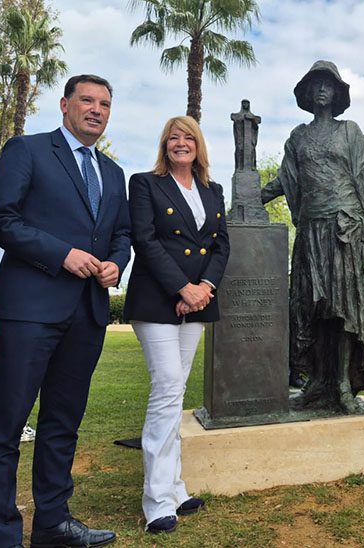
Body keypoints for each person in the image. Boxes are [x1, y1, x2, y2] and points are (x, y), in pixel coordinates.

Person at [0, 74, 131, 546]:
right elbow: (2, 219)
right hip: (30, 309)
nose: (96, 110)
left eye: (105, 103)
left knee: (63, 422)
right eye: (87, 100)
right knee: (6, 422)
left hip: (87, 313)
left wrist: (116, 265)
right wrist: (62, 254)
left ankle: (53, 523)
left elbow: (122, 233)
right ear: (64, 105)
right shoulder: (28, 150)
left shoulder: (113, 173)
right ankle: (2, 535)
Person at [123, 115, 229, 534]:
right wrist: (181, 288)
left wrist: (202, 287)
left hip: (198, 300)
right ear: (164, 145)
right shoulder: (145, 183)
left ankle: (176, 488)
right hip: (156, 300)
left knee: (175, 391)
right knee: (167, 388)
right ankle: (156, 502)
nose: (180, 143)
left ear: (199, 145)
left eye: (188, 137)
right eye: (173, 138)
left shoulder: (213, 190)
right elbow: (144, 241)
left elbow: (221, 244)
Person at [261, 60, 364, 413]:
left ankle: (344, 386)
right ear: (308, 93)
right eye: (315, 85)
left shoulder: (350, 131)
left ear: (337, 93)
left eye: (328, 84)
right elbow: (286, 179)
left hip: (346, 228)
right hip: (312, 228)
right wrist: (252, 194)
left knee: (344, 309)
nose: (321, 90)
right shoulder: (298, 136)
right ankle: (318, 383)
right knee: (313, 309)